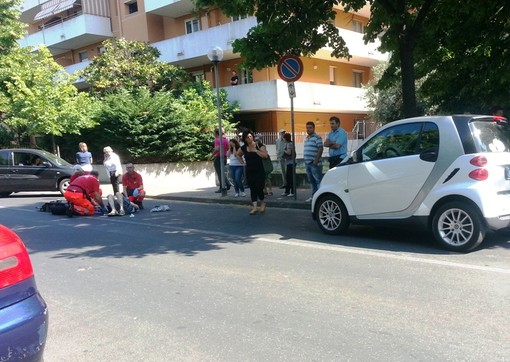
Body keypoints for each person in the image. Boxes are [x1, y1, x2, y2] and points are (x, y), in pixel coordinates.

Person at [236, 130, 268, 215]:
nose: (249, 138)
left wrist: (256, 151)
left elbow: (265, 156)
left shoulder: (259, 145)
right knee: (252, 188)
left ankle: (262, 202)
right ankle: (254, 207)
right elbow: (237, 155)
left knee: (259, 187)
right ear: (244, 139)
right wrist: (243, 163)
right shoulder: (244, 148)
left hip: (259, 171)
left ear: (253, 136)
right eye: (247, 137)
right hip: (249, 171)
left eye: (250, 136)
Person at [303, 121, 323, 202]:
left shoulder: (317, 137)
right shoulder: (307, 138)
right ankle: (313, 196)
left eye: (310, 128)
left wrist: (316, 160)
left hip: (315, 163)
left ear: (314, 128)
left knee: (318, 181)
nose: (308, 129)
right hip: (308, 163)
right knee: (312, 181)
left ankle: (320, 198)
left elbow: (320, 148)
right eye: (307, 128)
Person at [209, 128, 231, 193]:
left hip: (218, 158)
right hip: (224, 157)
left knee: (219, 173)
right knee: (222, 172)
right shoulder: (226, 140)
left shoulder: (217, 140)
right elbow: (227, 148)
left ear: (216, 133)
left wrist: (211, 156)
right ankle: (227, 184)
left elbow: (217, 149)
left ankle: (222, 187)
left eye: (214, 133)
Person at [281, 132, 296, 197]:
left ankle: (292, 191)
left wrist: (284, 150)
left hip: (290, 162)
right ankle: (287, 191)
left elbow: (289, 153)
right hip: (290, 162)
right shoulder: (290, 143)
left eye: (284, 138)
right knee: (289, 177)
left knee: (290, 177)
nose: (283, 139)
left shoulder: (289, 144)